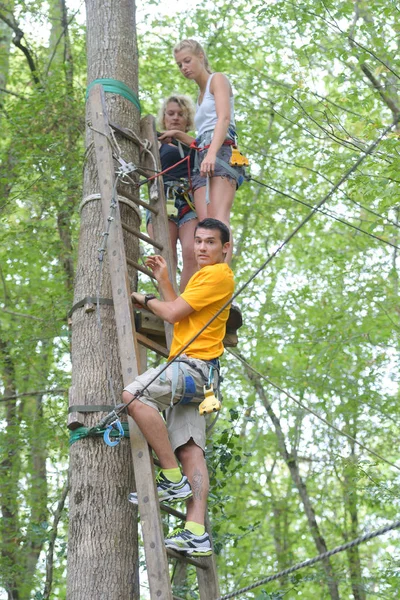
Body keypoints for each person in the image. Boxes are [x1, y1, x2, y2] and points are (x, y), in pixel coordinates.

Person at [122, 218, 234, 557]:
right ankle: (196, 532)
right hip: (201, 378)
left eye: (210, 242)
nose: (201, 248)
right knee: (190, 450)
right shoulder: (205, 278)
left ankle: (171, 478)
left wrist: (145, 298)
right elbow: (182, 315)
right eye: (197, 241)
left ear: (225, 248)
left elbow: (170, 315)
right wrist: (166, 282)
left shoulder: (216, 275)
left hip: (192, 369)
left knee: (134, 395)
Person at [159, 39, 246, 265]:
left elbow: (224, 119)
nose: (184, 67)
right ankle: (206, 278)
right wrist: (178, 135)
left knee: (219, 219)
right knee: (205, 225)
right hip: (202, 156)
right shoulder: (199, 97)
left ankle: (221, 278)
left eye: (187, 61)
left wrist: (211, 153)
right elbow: (200, 139)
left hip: (221, 153)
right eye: (179, 64)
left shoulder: (217, 80)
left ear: (200, 56)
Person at [148, 95, 198, 291]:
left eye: (181, 114)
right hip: (164, 197)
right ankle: (170, 300)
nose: (175, 117)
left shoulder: (197, 144)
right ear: (164, 116)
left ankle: (185, 302)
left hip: (189, 200)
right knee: (166, 256)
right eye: (171, 113)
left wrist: (178, 135)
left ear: (188, 119)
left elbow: (206, 151)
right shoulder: (154, 141)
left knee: (192, 252)